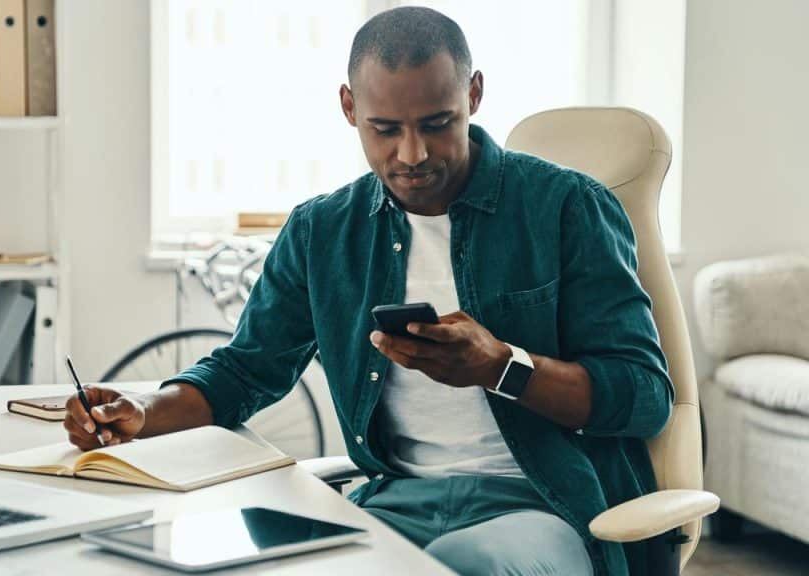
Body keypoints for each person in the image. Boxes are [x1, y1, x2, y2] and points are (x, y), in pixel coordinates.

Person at [64, 7, 672, 575]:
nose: (412, 154)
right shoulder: (323, 231)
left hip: (540, 505)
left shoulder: (566, 208)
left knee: (456, 563)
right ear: (350, 107)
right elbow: (245, 372)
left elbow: (644, 396)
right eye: (386, 129)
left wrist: (500, 366)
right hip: (392, 500)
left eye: (438, 124)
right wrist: (144, 413)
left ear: (474, 95)